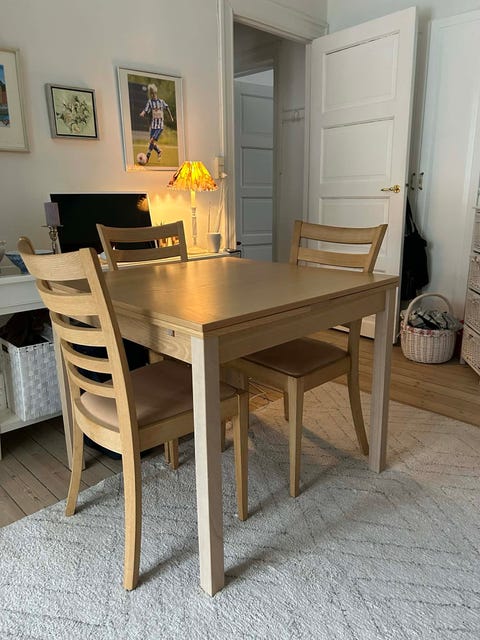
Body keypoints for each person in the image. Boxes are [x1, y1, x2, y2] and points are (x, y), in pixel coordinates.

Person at [139, 83, 173, 163]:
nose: (152, 95)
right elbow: (146, 109)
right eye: (151, 93)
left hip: (160, 126)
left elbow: (167, 108)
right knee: (151, 142)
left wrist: (171, 117)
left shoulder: (161, 101)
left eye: (153, 93)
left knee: (151, 140)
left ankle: (147, 157)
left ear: (155, 92)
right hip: (153, 125)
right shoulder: (150, 102)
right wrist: (143, 113)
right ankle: (158, 151)